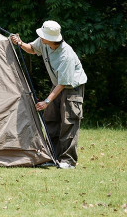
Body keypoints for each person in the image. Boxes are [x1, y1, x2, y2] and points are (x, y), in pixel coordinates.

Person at [11, 20, 87, 169]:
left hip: (71, 87)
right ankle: (52, 157)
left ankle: (68, 161)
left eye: (43, 35)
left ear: (51, 39)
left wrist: (47, 101)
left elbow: (63, 83)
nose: (40, 37)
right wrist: (20, 43)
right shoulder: (43, 42)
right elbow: (32, 49)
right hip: (57, 85)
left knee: (68, 122)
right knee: (51, 119)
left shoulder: (66, 55)